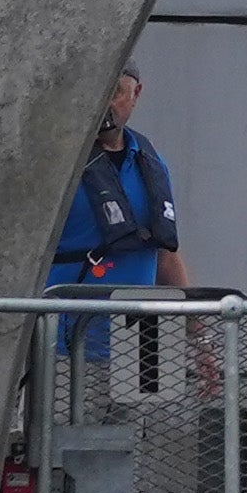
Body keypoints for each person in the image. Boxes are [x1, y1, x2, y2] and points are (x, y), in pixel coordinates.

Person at [50, 68, 187, 367]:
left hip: (140, 348)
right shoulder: (57, 162)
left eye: (113, 92)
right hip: (67, 347)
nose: (102, 103)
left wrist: (199, 336)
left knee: (143, 416)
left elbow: (166, 255)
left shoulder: (150, 161)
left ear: (136, 94)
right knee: (66, 414)